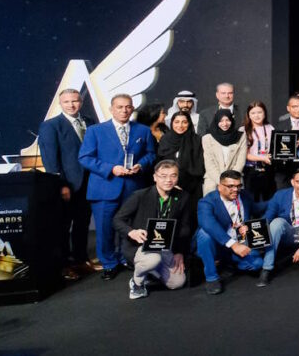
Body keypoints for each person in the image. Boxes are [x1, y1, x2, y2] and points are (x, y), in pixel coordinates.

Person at [79, 94, 155, 280]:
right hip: (105, 187)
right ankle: (109, 263)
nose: (124, 110)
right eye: (119, 107)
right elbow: (85, 158)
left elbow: (151, 154)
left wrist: (141, 165)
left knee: (129, 226)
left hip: (133, 187)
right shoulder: (95, 131)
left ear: (132, 108)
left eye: (128, 107)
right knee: (104, 228)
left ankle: (125, 257)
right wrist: (111, 169)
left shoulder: (143, 130)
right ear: (111, 109)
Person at [37, 88, 96, 279]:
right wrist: (60, 185)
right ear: (60, 104)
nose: (71, 105)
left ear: (81, 102)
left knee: (82, 222)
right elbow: (50, 160)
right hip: (67, 185)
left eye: (75, 101)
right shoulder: (51, 126)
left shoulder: (90, 122)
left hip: (89, 182)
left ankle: (80, 259)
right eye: (67, 102)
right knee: (63, 226)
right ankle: (63, 265)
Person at [113, 160, 191, 299]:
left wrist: (179, 252)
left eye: (173, 176)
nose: (168, 180)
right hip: (141, 246)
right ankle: (137, 282)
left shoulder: (182, 197)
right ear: (155, 177)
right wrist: (132, 232)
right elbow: (117, 220)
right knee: (153, 259)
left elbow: (185, 227)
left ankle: (151, 271)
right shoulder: (140, 195)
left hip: (166, 247)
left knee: (178, 282)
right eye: (163, 176)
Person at [194, 170, 266, 294]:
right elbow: (207, 223)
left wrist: (280, 198)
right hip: (218, 244)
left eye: (238, 186)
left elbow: (257, 208)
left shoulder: (244, 195)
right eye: (231, 186)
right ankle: (211, 277)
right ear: (220, 187)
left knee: (257, 264)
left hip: (239, 241)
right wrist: (233, 244)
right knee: (204, 234)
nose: (236, 190)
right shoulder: (207, 201)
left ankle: (228, 262)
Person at [156, 112, 205, 208]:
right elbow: (160, 163)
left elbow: (199, 165)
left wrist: (183, 186)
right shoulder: (165, 140)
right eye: (177, 122)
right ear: (172, 123)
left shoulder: (196, 140)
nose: (180, 125)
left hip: (192, 186)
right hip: (168, 185)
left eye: (184, 122)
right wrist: (172, 184)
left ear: (189, 123)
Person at [201, 109, 248, 195]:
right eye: (221, 121)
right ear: (216, 121)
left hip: (235, 180)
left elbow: (240, 161)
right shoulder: (207, 138)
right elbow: (209, 163)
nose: (225, 124)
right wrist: (222, 182)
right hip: (213, 181)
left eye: (227, 120)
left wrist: (231, 181)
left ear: (232, 120)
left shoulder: (241, 136)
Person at [241, 101, 276, 202]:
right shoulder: (243, 130)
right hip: (251, 171)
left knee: (269, 200)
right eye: (253, 113)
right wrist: (262, 158)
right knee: (252, 201)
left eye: (259, 112)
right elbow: (244, 154)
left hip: (268, 169)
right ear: (248, 115)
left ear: (264, 113)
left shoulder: (270, 128)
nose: (256, 116)